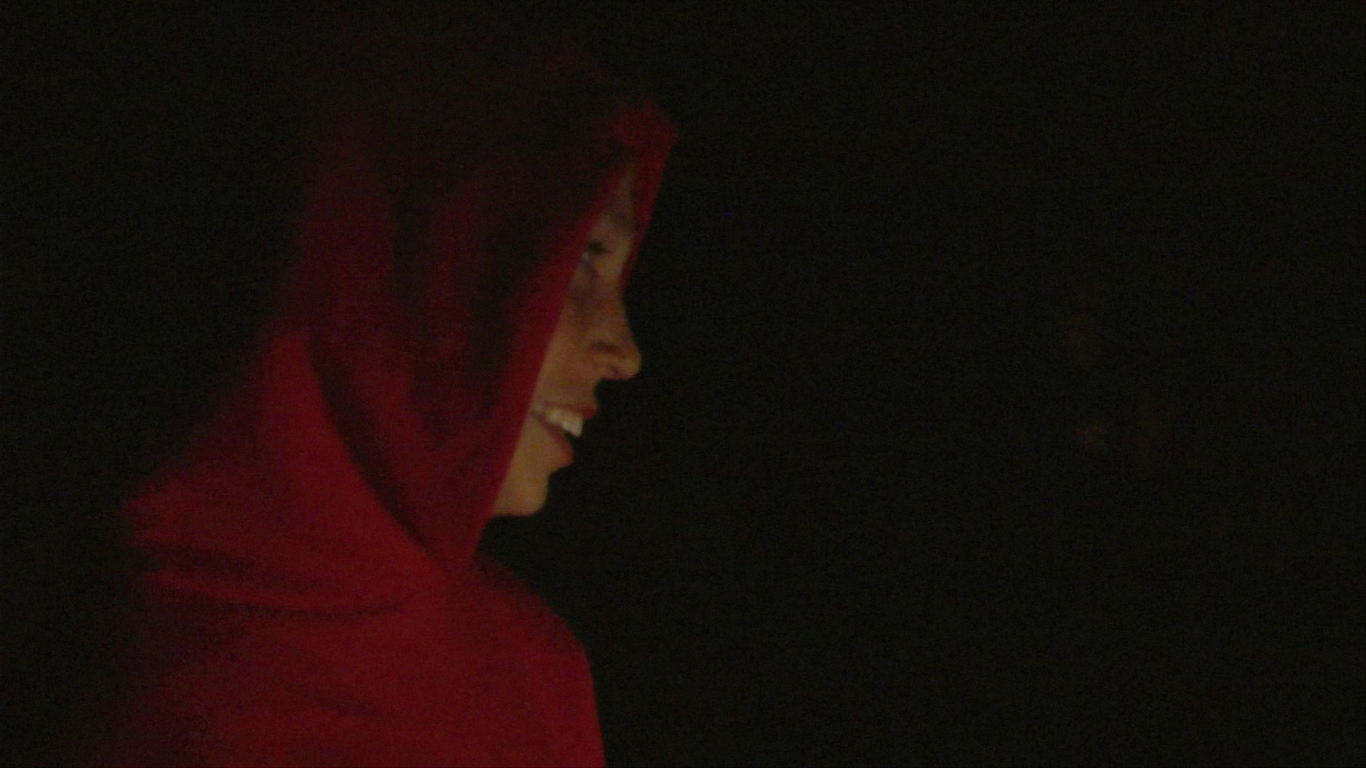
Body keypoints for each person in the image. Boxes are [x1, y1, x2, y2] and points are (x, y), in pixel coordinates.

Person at [59, 8, 676, 766]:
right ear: (401, 259)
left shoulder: (534, 664)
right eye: (580, 259)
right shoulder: (130, 680)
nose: (624, 353)